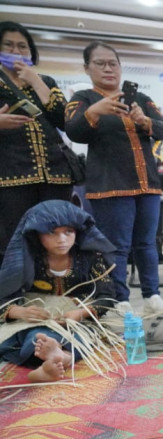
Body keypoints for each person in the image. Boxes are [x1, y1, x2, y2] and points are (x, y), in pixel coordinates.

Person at [65, 41, 163, 314]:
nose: (108, 68)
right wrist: (94, 112)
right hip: (111, 186)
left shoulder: (141, 99)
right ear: (87, 68)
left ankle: (152, 298)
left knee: (148, 243)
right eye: (100, 63)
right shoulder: (83, 98)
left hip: (147, 183)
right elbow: (74, 131)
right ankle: (119, 301)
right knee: (118, 247)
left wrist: (144, 121)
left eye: (113, 63)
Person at [0, 200, 115, 382]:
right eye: (52, 233)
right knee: (36, 338)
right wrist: (21, 312)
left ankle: (55, 358)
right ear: (36, 234)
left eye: (68, 232)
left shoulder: (91, 257)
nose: (62, 240)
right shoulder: (26, 258)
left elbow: (108, 298)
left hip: (79, 322)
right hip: (36, 322)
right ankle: (58, 357)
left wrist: (80, 313)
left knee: (83, 337)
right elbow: (3, 297)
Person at [0, 22, 75, 262]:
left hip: (56, 174)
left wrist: (36, 81)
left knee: (56, 239)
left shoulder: (46, 81)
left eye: (23, 46)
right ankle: (14, 296)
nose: (16, 51)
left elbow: (67, 121)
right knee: (14, 240)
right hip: (11, 176)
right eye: (8, 45)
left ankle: (52, 294)